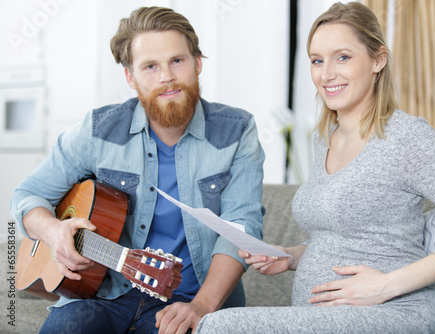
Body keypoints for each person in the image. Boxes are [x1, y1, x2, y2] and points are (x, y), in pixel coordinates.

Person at [193, 2, 435, 333]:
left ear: (378, 60)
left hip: (400, 313)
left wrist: (386, 285)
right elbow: (348, 237)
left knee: (219, 326)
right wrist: (292, 257)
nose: (326, 74)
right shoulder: (324, 138)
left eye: (343, 57)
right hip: (332, 317)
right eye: (316, 60)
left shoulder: (407, 136)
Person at [11, 6, 265, 334]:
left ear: (197, 63)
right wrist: (52, 231)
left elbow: (241, 228)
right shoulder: (98, 130)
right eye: (150, 66)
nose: (166, 77)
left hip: (188, 298)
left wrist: (200, 307)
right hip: (102, 293)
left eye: (177, 60)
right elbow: (28, 194)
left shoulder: (237, 130)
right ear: (130, 77)